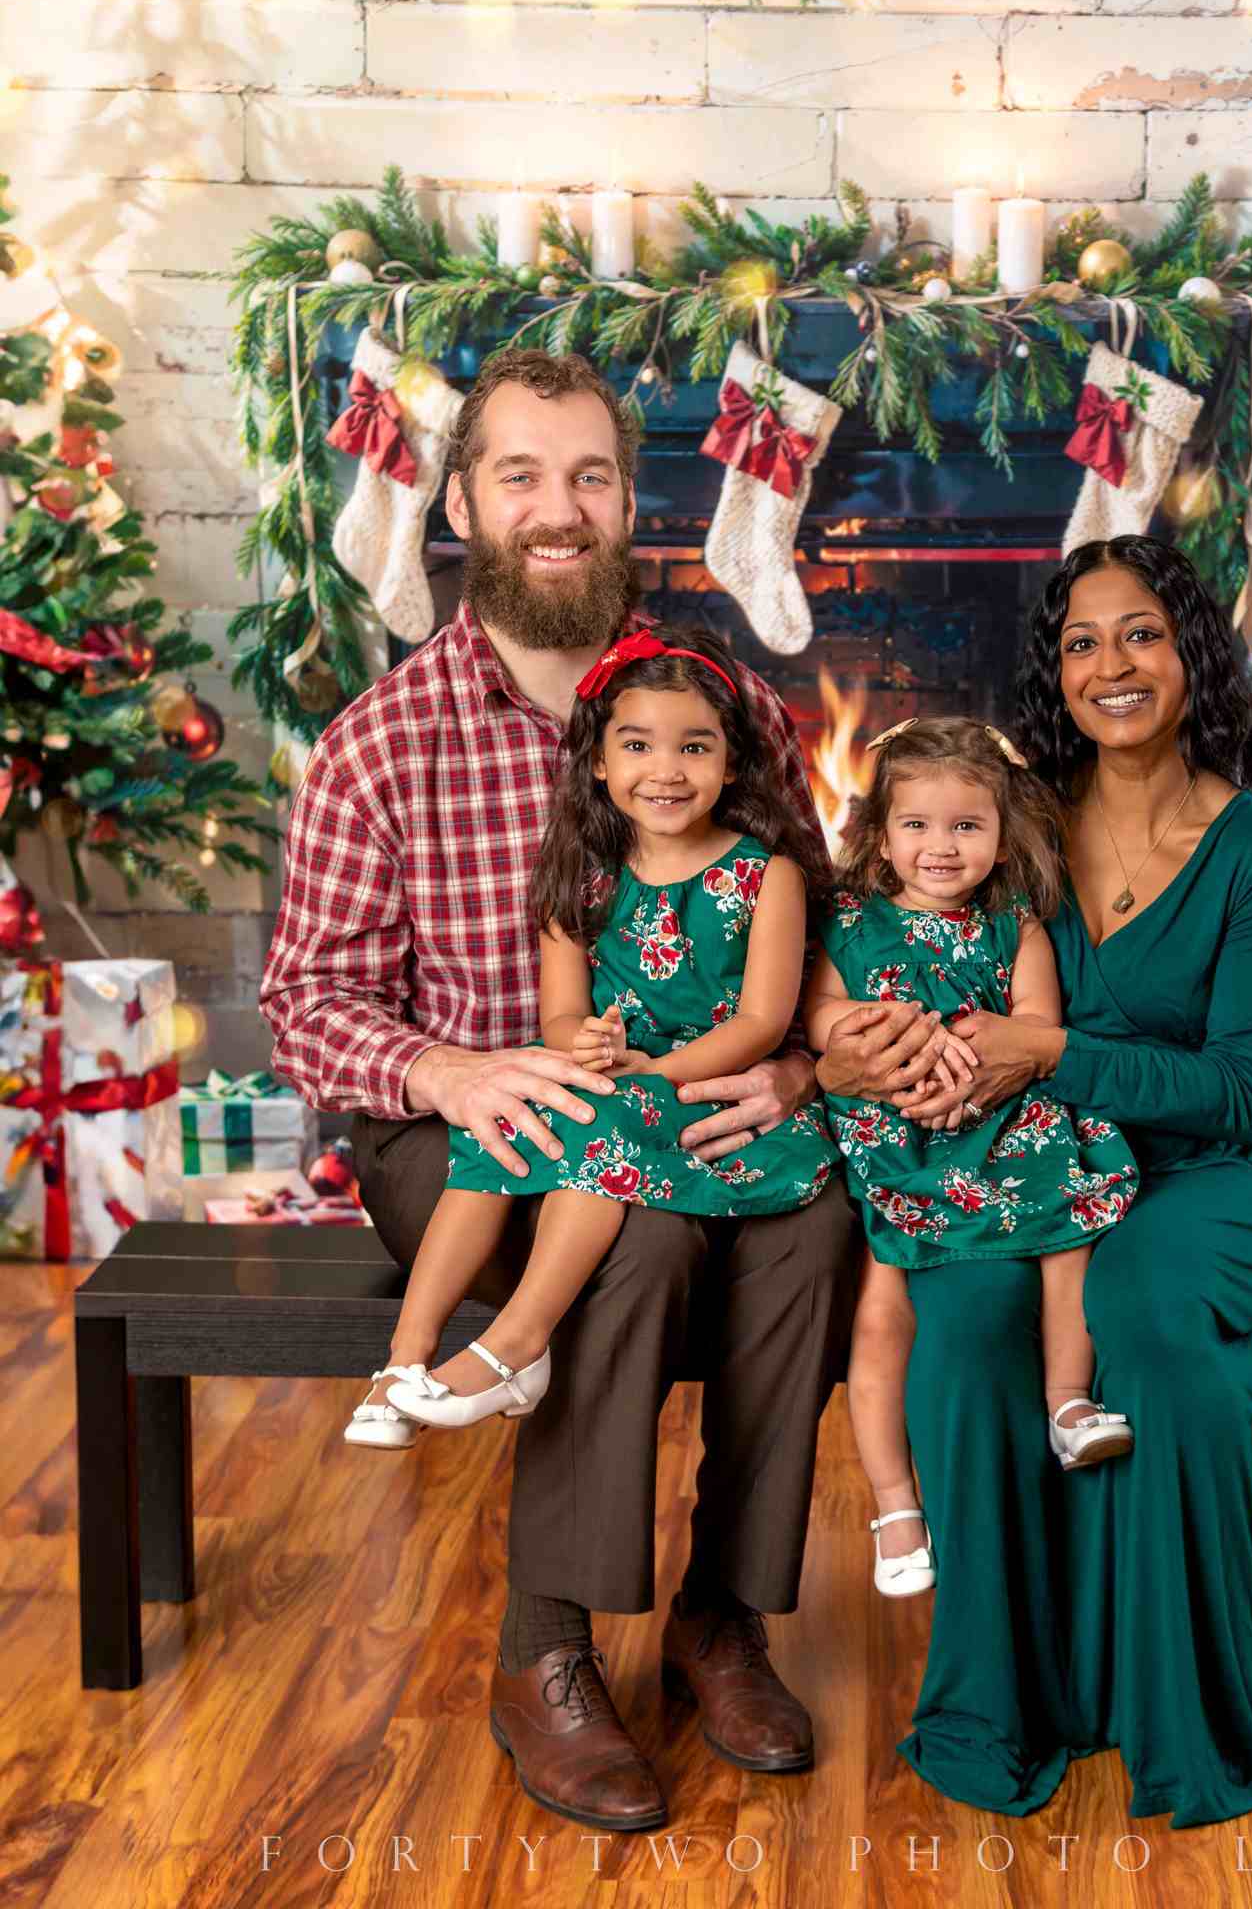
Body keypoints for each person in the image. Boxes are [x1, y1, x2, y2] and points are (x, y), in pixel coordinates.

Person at [261, 349, 951, 1833]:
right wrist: (449, 1065)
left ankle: (721, 1614)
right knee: (626, 1234)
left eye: (588, 477)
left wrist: (788, 1066)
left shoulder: (725, 709)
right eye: (520, 474)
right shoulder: (379, 743)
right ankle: (546, 1648)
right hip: (465, 1133)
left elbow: (810, 926)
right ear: (463, 502)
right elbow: (305, 1003)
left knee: (816, 1223)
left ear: (629, 505)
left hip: (698, 1095)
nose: (556, 510)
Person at [815, 535, 1252, 1829]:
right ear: (1053, 669)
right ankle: (1000, 1699)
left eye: (1138, 632)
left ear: (1188, 650)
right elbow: (887, 957)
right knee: (967, 1325)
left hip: (1197, 1179)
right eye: (1080, 641)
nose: (1111, 663)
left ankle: (1179, 1708)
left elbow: (1239, 1093)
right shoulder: (1010, 819)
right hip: (1011, 1166)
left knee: (1140, 1321)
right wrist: (868, 1057)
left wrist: (1049, 1051)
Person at [343, 625, 840, 1443]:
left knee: (593, 1137)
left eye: (694, 746)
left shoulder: (767, 875)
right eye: (637, 744)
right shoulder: (578, 875)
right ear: (601, 762)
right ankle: (403, 1357)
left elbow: (759, 1024)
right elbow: (561, 1016)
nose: (666, 770)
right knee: (499, 1123)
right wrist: (586, 1048)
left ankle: (517, 1343)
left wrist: (655, 1074)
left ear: (731, 763)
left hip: (713, 1099)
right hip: (622, 1085)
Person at [804, 716, 1140, 1600]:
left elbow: (1037, 1027)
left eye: (966, 827)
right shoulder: (847, 923)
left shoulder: (1012, 925)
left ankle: (1068, 1402)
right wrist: (899, 1037)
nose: (941, 847)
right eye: (916, 825)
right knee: (881, 1312)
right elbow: (818, 1017)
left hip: (996, 1117)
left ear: (1001, 834)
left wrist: (983, 1057)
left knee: (1069, 1229)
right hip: (894, 1124)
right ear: (879, 836)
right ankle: (893, 1504)